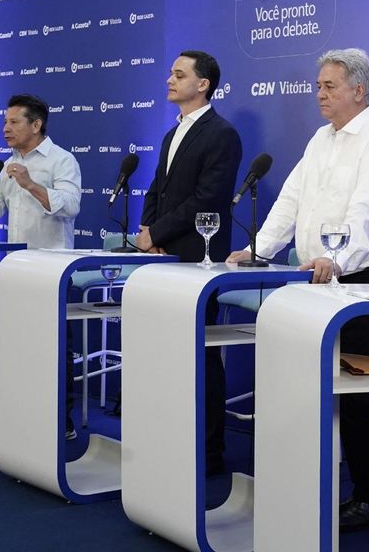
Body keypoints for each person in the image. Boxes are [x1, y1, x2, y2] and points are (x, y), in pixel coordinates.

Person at [226, 48, 369, 531]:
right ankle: (315, 483)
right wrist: (259, 249)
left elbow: (367, 214)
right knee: (314, 386)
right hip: (315, 280)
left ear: (359, 90)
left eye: (330, 86)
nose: (320, 94)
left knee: (353, 392)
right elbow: (290, 200)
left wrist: (338, 258)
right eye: (319, 86)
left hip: (365, 281)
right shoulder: (320, 139)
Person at [138, 50, 242, 475]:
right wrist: (147, 236)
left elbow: (208, 200)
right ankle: (173, 437)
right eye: (170, 73)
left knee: (200, 354)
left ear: (203, 84)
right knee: (169, 351)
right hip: (163, 256)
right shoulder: (170, 133)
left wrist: (158, 233)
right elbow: (156, 191)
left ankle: (208, 450)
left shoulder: (222, 134)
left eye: (179, 74)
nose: (170, 79)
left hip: (199, 258)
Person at [0, 93, 82, 438]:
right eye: (5, 121)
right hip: (15, 268)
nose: (5, 128)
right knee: (18, 344)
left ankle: (61, 420)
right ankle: (22, 412)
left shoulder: (61, 160)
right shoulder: (8, 164)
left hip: (52, 269)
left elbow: (69, 207)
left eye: (13, 122)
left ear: (36, 125)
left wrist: (29, 183)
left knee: (55, 348)